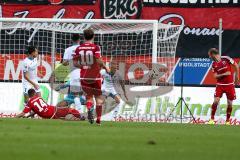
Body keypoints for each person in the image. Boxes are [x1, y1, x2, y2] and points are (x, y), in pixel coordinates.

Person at [73, 29, 110, 125]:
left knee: (89, 97)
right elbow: (98, 60)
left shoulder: (78, 48)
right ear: (93, 36)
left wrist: (84, 65)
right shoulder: (96, 47)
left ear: (84, 37)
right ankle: (98, 120)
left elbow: (75, 64)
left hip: (84, 76)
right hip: (96, 76)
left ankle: (89, 108)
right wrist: (105, 67)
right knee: (98, 97)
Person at [208, 48, 239, 125]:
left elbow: (235, 65)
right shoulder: (213, 64)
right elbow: (215, 76)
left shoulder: (226, 58)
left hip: (230, 85)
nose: (210, 57)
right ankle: (212, 119)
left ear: (213, 55)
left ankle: (227, 121)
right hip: (220, 85)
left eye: (210, 55)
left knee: (230, 103)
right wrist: (224, 74)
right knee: (216, 101)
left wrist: (236, 76)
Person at [16, 89, 82, 120]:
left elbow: (23, 113)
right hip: (52, 110)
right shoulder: (39, 97)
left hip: (50, 114)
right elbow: (40, 108)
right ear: (34, 93)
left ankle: (79, 118)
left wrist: (15, 117)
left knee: (66, 114)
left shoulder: (30, 103)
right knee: (68, 110)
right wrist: (27, 116)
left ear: (29, 95)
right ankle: (80, 117)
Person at [61, 34, 83, 112]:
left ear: (72, 40)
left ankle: (80, 111)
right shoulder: (83, 48)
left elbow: (64, 63)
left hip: (74, 74)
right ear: (79, 40)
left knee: (76, 94)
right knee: (87, 95)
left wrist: (70, 61)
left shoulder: (68, 49)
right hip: (85, 73)